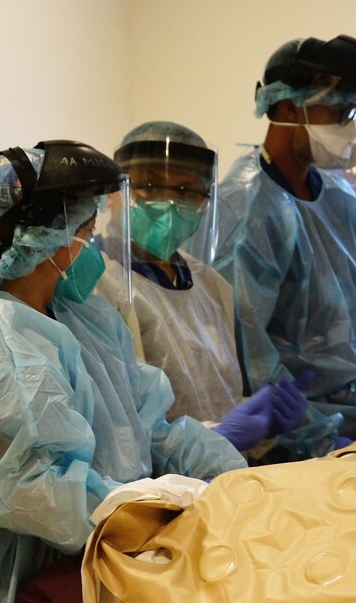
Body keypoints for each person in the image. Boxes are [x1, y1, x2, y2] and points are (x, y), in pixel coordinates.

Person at [0, 141, 291, 603]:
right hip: (12, 581)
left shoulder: (79, 317)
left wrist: (236, 485)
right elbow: (39, 491)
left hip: (97, 560)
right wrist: (148, 514)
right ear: (47, 239)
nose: (92, 244)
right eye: (84, 230)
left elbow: (149, 425)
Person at [194, 34, 356, 461]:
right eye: (341, 112)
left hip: (350, 426)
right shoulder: (247, 209)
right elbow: (245, 349)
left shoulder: (340, 202)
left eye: (355, 113)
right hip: (280, 444)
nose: (349, 128)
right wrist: (314, 435)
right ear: (290, 107)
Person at [96, 120, 305, 438]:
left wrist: (261, 420)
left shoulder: (210, 285)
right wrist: (215, 439)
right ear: (112, 193)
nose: (167, 203)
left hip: (227, 472)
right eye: (149, 187)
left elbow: (215, 395)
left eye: (184, 191)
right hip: (156, 483)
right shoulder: (95, 284)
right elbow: (116, 423)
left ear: (205, 202)